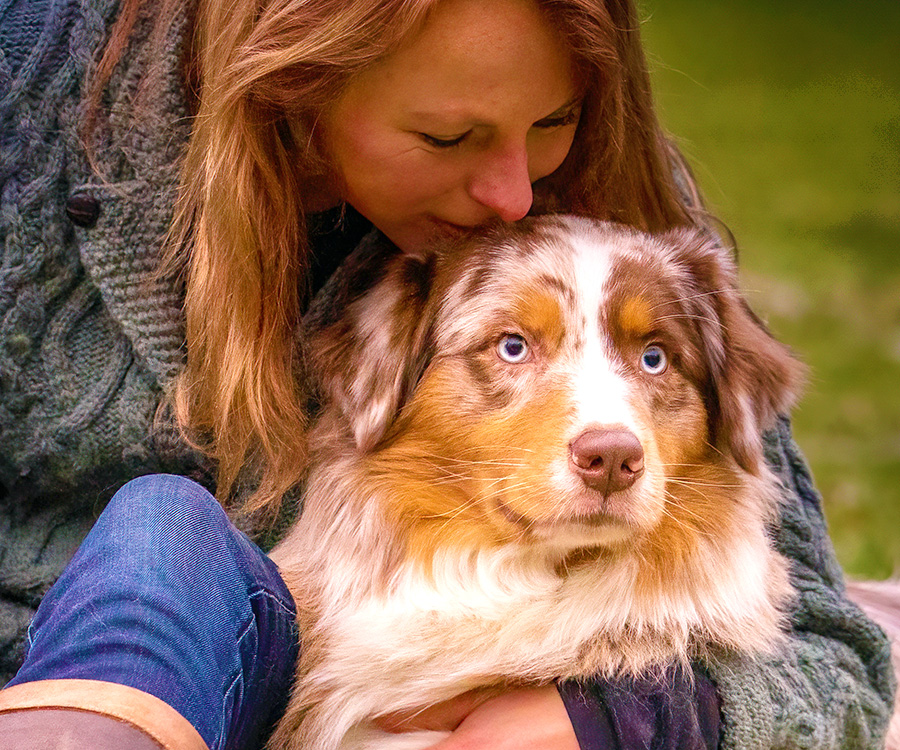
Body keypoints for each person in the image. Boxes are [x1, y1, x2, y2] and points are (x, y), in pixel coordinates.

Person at [0, 0, 894, 748]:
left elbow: (833, 658)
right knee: (166, 536)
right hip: (103, 667)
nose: (515, 194)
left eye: (554, 120)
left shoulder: (619, 219)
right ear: (295, 87)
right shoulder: (23, 111)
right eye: (448, 135)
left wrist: (616, 719)